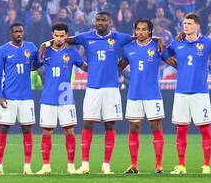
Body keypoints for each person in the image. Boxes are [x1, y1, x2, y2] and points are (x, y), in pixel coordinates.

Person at [67, 11, 131, 174]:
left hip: (111, 89)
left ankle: (106, 164)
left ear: (109, 22)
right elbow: (65, 40)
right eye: (97, 20)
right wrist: (46, 44)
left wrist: (157, 39)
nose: (100, 23)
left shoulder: (119, 37)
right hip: (93, 88)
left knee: (109, 124)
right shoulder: (86, 37)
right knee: (88, 123)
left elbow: (138, 39)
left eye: (103, 20)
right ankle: (85, 164)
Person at [161, 13, 211, 174]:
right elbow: (164, 55)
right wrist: (177, 66)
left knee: (205, 129)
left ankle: (207, 165)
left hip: (200, 93)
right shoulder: (177, 43)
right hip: (181, 92)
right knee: (181, 129)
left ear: (197, 26)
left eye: (189, 23)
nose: (186, 26)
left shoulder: (207, 42)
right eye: (184, 23)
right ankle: (181, 165)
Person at [120, 18, 167, 174]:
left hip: (152, 94)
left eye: (143, 29)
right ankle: (134, 165)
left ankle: (158, 165)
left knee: (155, 127)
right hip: (134, 93)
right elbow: (119, 66)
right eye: (138, 29)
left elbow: (171, 60)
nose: (140, 32)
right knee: (134, 127)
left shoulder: (156, 46)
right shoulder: (128, 48)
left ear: (149, 32)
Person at [0, 22, 39, 176]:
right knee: (3, 128)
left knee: (27, 129)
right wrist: (0, 95)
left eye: (21, 31)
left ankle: (27, 166)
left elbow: (37, 64)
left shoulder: (31, 47)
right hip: (9, 96)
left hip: (26, 97)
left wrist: (43, 51)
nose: (19, 34)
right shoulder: (3, 50)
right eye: (16, 31)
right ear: (11, 33)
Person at [37, 23, 80, 174]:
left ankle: (71, 166)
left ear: (66, 36)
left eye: (62, 36)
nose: (59, 38)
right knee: (47, 132)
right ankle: (46, 166)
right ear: (52, 35)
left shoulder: (72, 52)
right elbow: (35, 63)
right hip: (48, 96)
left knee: (69, 131)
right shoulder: (46, 51)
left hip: (65, 96)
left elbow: (85, 67)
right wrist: (43, 45)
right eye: (56, 35)